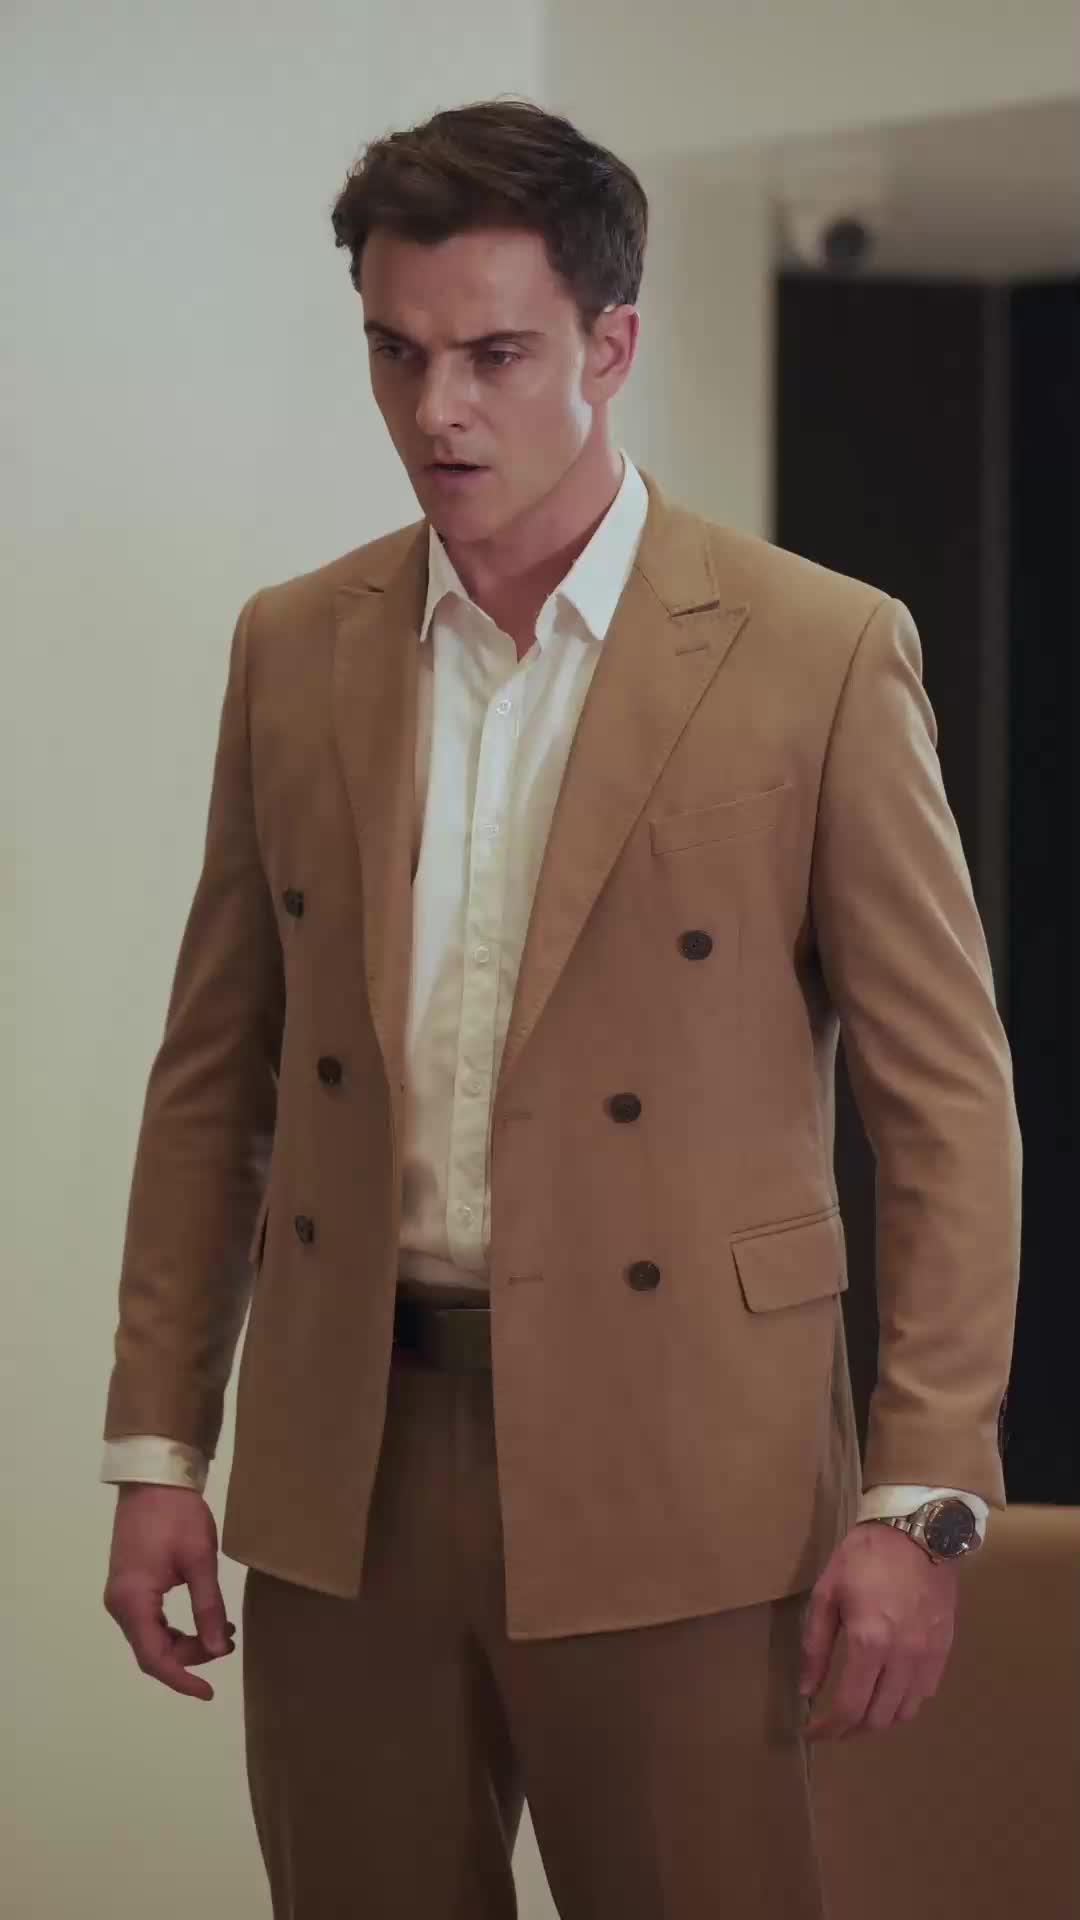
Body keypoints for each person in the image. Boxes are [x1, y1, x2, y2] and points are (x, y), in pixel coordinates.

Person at [100, 98, 1021, 1919]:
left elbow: (947, 1109)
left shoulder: (817, 648)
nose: (436, 410)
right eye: (396, 352)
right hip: (349, 1462)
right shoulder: (294, 644)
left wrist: (923, 1497)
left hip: (692, 1460)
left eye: (496, 355)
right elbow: (217, 1075)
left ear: (610, 345)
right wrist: (156, 1447)